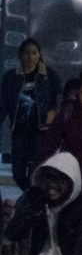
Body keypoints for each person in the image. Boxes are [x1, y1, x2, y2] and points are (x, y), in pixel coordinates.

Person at [0, 38, 61, 190]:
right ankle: (31, 196)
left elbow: (59, 98)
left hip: (40, 131)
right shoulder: (11, 78)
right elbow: (3, 103)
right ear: (20, 55)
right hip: (19, 130)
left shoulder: (49, 76)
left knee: (37, 169)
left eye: (34, 53)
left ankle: (34, 200)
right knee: (18, 172)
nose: (31, 57)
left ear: (39, 55)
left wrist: (53, 112)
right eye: (27, 53)